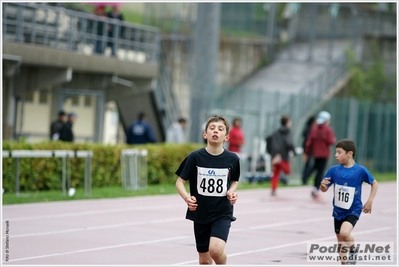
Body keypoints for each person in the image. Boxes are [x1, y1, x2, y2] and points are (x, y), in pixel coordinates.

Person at [175, 115, 240, 265]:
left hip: (222, 212)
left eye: (220, 129)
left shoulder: (232, 159)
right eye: (212, 128)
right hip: (200, 212)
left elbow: (234, 180)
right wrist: (186, 198)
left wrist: (231, 191)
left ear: (227, 136)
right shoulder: (195, 157)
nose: (215, 131)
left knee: (216, 251)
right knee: (204, 260)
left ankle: (223, 262)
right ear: (205, 134)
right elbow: (179, 182)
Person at [319, 139, 378, 265]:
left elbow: (374, 183)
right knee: (340, 242)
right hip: (338, 210)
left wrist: (369, 201)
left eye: (339, 152)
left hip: (353, 209)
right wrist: (322, 186)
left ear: (349, 153)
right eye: (335, 152)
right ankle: (344, 263)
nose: (336, 155)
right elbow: (324, 188)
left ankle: (353, 249)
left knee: (344, 233)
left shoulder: (360, 171)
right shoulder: (334, 170)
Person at [304, 111, 336, 199]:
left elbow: (309, 142)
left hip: (315, 153)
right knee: (320, 172)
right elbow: (331, 141)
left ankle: (309, 181)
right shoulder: (328, 130)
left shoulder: (314, 129)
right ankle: (316, 189)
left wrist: (306, 152)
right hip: (324, 154)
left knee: (316, 168)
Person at [266, 115, 296, 196]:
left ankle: (273, 189)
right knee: (287, 171)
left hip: (275, 154)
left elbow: (268, 138)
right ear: (287, 122)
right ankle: (280, 161)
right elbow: (289, 142)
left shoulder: (276, 131)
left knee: (276, 173)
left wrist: (270, 151)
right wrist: (293, 150)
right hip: (283, 155)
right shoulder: (288, 131)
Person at [301, 115, 316, 185]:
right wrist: (305, 152)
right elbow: (307, 142)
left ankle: (305, 178)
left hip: (310, 149)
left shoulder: (311, 129)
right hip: (308, 149)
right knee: (308, 164)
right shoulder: (310, 130)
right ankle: (305, 178)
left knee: (309, 164)